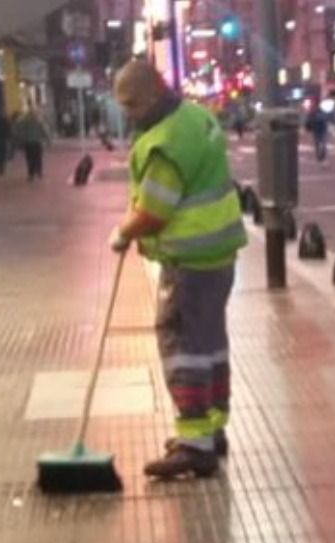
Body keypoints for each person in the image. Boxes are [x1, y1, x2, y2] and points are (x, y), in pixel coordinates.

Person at [110, 59, 246, 479]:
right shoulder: (196, 116)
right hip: (219, 254)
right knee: (210, 344)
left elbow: (153, 211)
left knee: (181, 344)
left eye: (132, 104)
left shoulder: (165, 143)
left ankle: (194, 444)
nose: (129, 113)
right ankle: (212, 429)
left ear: (153, 92)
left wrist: (122, 233)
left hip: (189, 262)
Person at [13, 107, 49, 181]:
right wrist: (48, 140)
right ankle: (39, 172)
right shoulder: (39, 121)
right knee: (38, 158)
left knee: (30, 159)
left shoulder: (24, 122)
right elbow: (44, 131)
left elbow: (18, 130)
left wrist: (21, 139)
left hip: (28, 143)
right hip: (37, 143)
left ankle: (31, 174)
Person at [305, 101, 330, 165]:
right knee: (320, 144)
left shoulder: (317, 113)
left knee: (320, 144)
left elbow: (308, 121)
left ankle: (320, 156)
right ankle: (320, 156)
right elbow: (308, 121)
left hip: (321, 130)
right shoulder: (314, 114)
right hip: (319, 130)